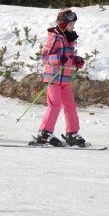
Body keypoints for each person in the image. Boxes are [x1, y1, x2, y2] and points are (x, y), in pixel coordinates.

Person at [34, 8, 86, 146]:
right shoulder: (55, 38)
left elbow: (68, 57)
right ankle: (44, 133)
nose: (73, 27)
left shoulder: (70, 39)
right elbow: (44, 57)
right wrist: (57, 59)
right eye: (71, 25)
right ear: (63, 24)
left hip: (66, 79)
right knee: (55, 104)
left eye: (73, 25)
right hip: (53, 78)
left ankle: (72, 133)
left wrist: (76, 60)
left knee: (70, 106)